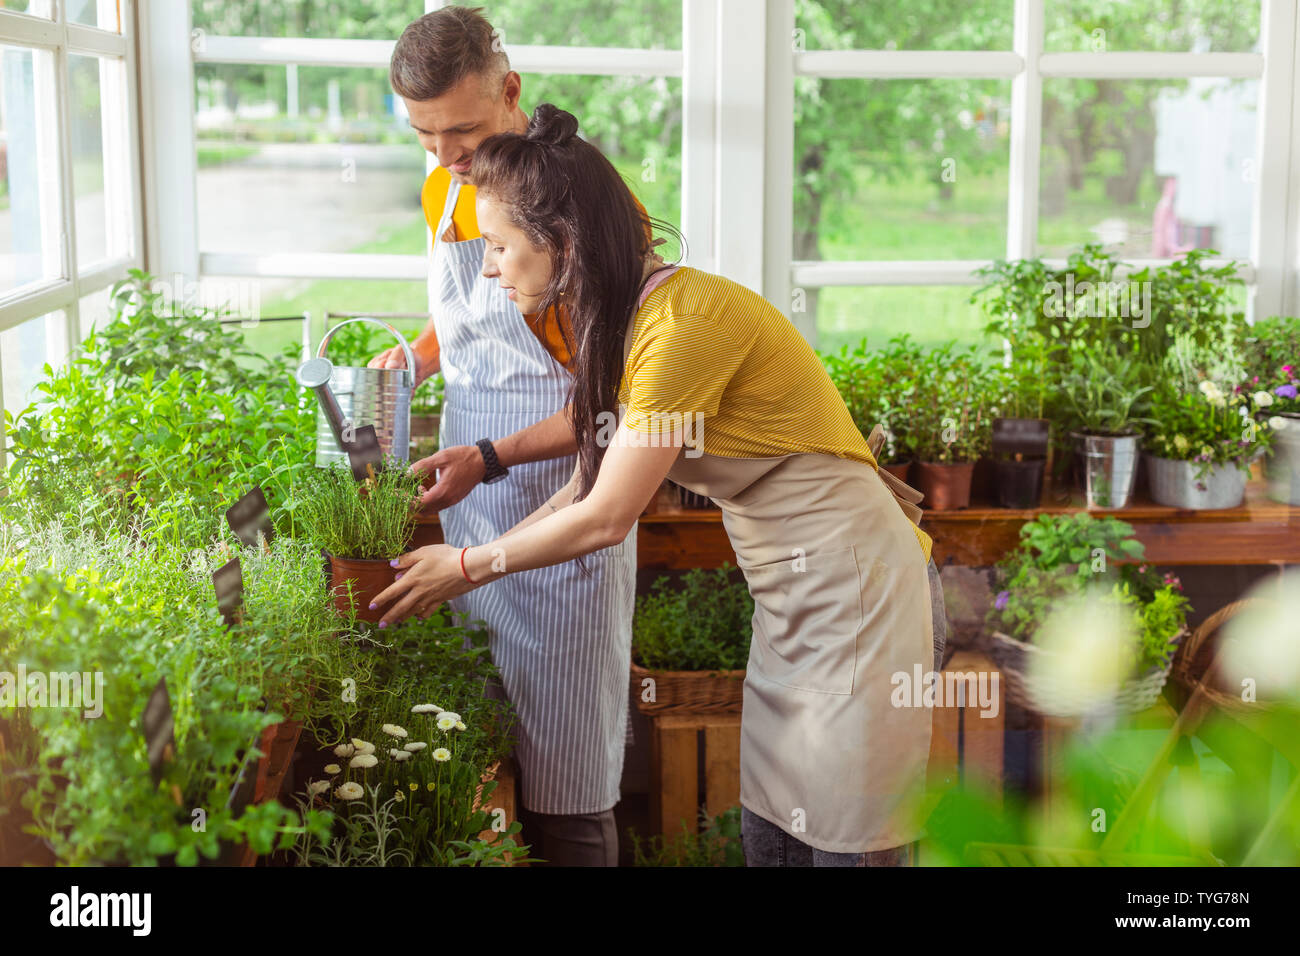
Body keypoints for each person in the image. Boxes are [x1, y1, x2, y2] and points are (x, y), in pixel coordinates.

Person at [373, 104, 950, 866]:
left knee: (847, 841)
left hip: (863, 594)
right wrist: (480, 523)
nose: (488, 267)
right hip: (794, 599)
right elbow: (587, 481)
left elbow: (609, 515)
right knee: (776, 829)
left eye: (501, 246)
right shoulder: (627, 323)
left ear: (564, 245)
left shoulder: (683, 322)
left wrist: (471, 565)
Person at [370, 7, 654, 866]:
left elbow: (616, 399)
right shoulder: (443, 186)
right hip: (472, 512)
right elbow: (465, 314)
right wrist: (417, 358)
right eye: (424, 134)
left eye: (462, 129)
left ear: (513, 91)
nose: (446, 154)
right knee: (478, 753)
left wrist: (492, 457)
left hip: (566, 516)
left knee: (566, 777)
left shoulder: (584, 207)